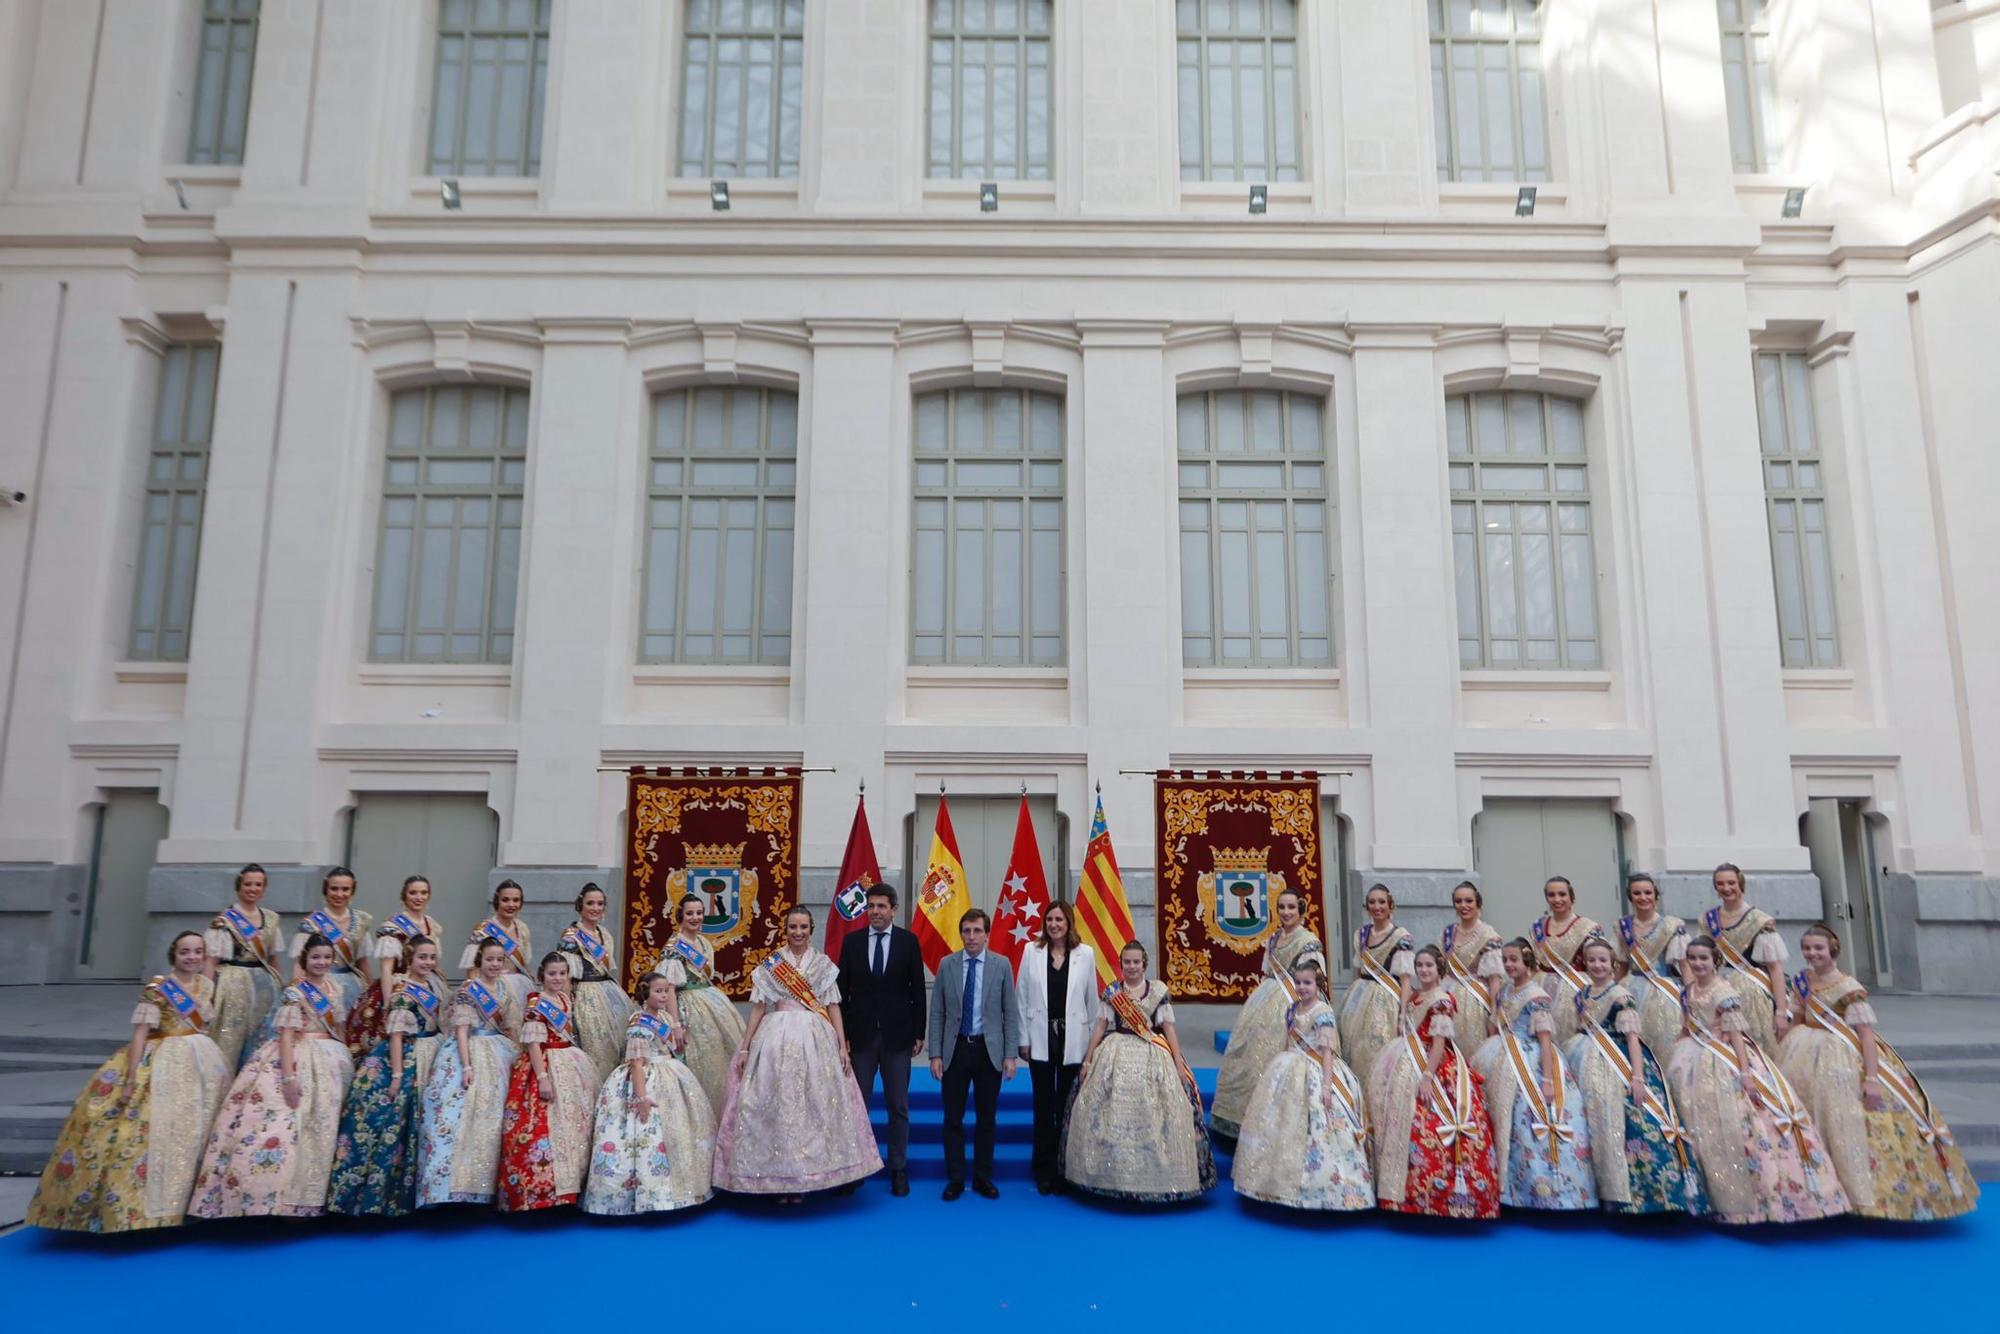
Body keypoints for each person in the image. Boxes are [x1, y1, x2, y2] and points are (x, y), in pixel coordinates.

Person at [27, 932, 231, 1233]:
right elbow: (139, 1034)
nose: (192, 957)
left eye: (198, 952)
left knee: (198, 1131)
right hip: (161, 1059)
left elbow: (205, 1026)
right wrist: (131, 1077)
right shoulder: (157, 989)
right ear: (173, 955)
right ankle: (142, 1212)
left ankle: (193, 1204)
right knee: (154, 1131)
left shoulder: (207, 985)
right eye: (185, 952)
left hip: (202, 1061)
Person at [1778, 923, 1979, 1220]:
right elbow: (1798, 1018)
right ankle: (1817, 1191)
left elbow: (1866, 1036)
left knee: (1843, 1122)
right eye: (1807, 948)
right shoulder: (1801, 981)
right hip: (1803, 1055)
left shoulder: (1849, 989)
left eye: (1818, 948)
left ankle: (1855, 1194)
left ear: (1832, 950)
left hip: (1842, 1060)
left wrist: (1871, 1079)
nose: (1812, 953)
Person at [1666, 936, 1847, 1225]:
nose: (1698, 963)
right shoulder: (1686, 991)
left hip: (1725, 1060)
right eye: (1693, 958)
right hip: (1691, 1061)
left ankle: (1755, 1202)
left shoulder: (1724, 991)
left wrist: (1746, 1073)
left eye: (1704, 958)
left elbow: (1736, 1035)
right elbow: (1686, 1028)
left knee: (1742, 1126)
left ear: (1716, 961)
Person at [712, 907, 881, 1199]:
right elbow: (758, 1008)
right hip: (774, 1039)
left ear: (811, 929)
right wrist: (745, 1046)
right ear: (785, 929)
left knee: (813, 1107)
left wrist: (842, 1045)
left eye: (803, 927)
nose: (798, 932)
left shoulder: (823, 964)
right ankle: (778, 1179)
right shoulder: (772, 964)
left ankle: (806, 1179)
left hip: (816, 1038)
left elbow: (833, 1007)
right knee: (776, 1108)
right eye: (793, 927)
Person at [189, 934, 356, 1219]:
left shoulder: (334, 988)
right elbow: (287, 1036)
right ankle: (267, 1200)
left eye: (327, 957)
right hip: (295, 1058)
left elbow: (337, 1027)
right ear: (305, 960)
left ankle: (311, 1195)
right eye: (316, 957)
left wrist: (348, 1054)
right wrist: (289, 1079)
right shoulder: (295, 992)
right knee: (281, 1124)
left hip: (330, 1060)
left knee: (322, 1127)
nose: (322, 962)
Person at [1061, 941, 1216, 1203]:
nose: (1131, 967)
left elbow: (1168, 1029)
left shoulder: (1158, 992)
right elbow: (1100, 1027)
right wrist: (1088, 1060)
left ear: (1144, 964)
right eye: (1127, 962)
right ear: (1121, 965)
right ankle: (1108, 1178)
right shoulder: (1113, 993)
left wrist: (1178, 1064)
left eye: (1136, 962)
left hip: (1152, 1054)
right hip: (1115, 1052)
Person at [1564, 936, 1707, 1215]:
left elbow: (1632, 1038)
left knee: (1627, 1121)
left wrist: (1638, 1078)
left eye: (1603, 961)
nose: (1597, 966)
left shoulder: (1621, 996)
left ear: (1613, 964)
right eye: (1592, 961)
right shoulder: (1581, 994)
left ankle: (1642, 1197)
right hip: (1584, 1058)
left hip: (1618, 1063)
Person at [1367, 945, 1500, 1219]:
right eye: (1420, 966)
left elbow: (1439, 1042)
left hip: (1434, 1067)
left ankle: (1442, 1196)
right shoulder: (1418, 997)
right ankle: (1400, 1193)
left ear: (1439, 969)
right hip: (1408, 1059)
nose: (1424, 970)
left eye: (1429, 965)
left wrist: (1428, 1075)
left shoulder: (1441, 999)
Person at [1230, 962, 1374, 1212]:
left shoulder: (1323, 1012)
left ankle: (1326, 1189)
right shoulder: (1292, 1008)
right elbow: (1289, 1041)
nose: (1301, 987)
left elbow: (1327, 1052)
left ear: (1318, 984)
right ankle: (1273, 1184)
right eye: (1298, 982)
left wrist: (1328, 1086)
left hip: (1318, 1073)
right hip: (1289, 1069)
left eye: (1307, 983)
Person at [326, 935, 452, 1217]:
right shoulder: (402, 992)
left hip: (432, 1049)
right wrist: (396, 1075)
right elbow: (395, 1036)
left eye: (432, 957)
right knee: (397, 1124)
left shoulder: (433, 984)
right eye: (422, 957)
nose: (428, 963)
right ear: (410, 957)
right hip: (407, 1057)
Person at [1470, 938, 1597, 1210]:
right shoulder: (1504, 991)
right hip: (1501, 1057)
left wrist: (1548, 1080)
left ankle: (1546, 1191)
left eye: (1514, 960)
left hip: (1531, 1063)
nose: (1509, 965)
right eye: (1505, 960)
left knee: (1526, 1119)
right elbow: (1496, 1025)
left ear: (1527, 962)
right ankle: (1507, 1186)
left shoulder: (1536, 996)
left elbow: (1545, 1040)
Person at [582, 973, 716, 1216]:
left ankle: (678, 1191)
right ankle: (644, 1195)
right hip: (646, 1079)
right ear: (646, 993)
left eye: (666, 991)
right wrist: (642, 1098)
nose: (664, 995)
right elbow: (636, 1063)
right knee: (644, 1136)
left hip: (669, 1073)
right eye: (659, 991)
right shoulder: (639, 1022)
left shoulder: (664, 1016)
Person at [1211, 888, 1327, 1139]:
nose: (1286, 912)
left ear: (1301, 910)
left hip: (1293, 1004)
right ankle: (1239, 1122)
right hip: (1265, 1000)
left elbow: (1315, 984)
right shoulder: (1273, 939)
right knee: (1248, 1054)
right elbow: (1266, 972)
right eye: (1282, 907)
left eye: (1291, 908)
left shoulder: (1308, 942)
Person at [416, 938, 522, 1207]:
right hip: (469, 1052)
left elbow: (510, 1025)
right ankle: (450, 1188)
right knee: (458, 1117)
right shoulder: (468, 990)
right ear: (479, 961)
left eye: (499, 960)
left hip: (499, 1052)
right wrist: (466, 1066)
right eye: (490, 960)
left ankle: (485, 1188)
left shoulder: (504, 988)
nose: (495, 965)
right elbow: (461, 1030)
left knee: (493, 1119)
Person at [836, 882, 926, 1196]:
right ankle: (855, 1167)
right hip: (859, 1039)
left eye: (881, 906)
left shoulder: (908, 942)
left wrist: (919, 1032)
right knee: (857, 1104)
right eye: (871, 906)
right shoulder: (852, 943)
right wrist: (841, 1035)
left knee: (897, 1105)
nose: (875, 912)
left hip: (898, 1037)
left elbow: (917, 990)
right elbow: (840, 993)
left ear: (893, 910)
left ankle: (898, 1168)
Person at [927, 908, 1022, 1200]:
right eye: (966, 931)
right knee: (953, 1118)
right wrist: (935, 1054)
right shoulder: (947, 965)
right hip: (954, 1050)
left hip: (988, 1050)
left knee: (986, 1117)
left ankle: (982, 1177)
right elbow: (938, 1012)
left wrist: (1010, 1054)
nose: (971, 936)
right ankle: (955, 1178)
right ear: (961, 934)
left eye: (977, 930)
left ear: (987, 934)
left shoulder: (1002, 965)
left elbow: (1009, 1013)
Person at [498, 952, 600, 1211]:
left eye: (562, 974)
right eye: (552, 974)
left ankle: (569, 1191)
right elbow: (533, 1043)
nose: (558, 978)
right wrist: (542, 1077)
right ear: (542, 975)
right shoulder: (536, 1003)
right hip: (544, 1066)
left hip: (570, 1062)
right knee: (542, 1127)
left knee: (575, 1126)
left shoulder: (565, 998)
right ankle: (541, 1194)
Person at [244, 866, 375, 1060]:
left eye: (345, 889)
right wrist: (301, 991)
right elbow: (299, 962)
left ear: (352, 891)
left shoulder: (361, 921)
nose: (339, 894)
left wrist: (370, 993)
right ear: (325, 890)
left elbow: (363, 961)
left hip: (350, 989)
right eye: (334, 889)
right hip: (316, 987)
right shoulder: (312, 923)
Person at [1014, 898, 1098, 1194]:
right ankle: (1043, 1169)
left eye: (1059, 920)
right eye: (1050, 920)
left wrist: (1092, 1048)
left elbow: (1091, 1001)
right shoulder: (1031, 951)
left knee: (1066, 1106)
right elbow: (1021, 997)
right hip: (1040, 1038)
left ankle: (1065, 1169)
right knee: (1042, 1104)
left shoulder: (1085, 954)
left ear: (1069, 923)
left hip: (1073, 1040)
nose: (1054, 925)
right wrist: (1022, 1038)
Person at [662, 892, 746, 1115]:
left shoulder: (703, 942)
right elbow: (669, 986)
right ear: (681, 915)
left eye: (699, 913)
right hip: (686, 1006)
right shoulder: (674, 946)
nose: (695, 918)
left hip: (710, 1000)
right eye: (690, 913)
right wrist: (675, 1024)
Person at [351, 874, 446, 1060]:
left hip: (428, 984)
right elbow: (387, 969)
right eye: (413, 893)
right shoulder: (393, 927)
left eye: (423, 893)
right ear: (404, 896)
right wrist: (388, 1003)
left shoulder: (432, 925)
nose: (418, 897)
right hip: (400, 986)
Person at [204, 862, 286, 1071]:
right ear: (239, 886)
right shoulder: (225, 920)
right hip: (232, 984)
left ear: (264, 888)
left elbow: (273, 958)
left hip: (264, 986)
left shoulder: (271, 918)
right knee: (231, 1035)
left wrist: (282, 987)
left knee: (260, 1036)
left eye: (258, 885)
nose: (253, 889)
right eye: (248, 884)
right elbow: (211, 960)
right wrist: (206, 994)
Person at [1703, 863, 1791, 1054]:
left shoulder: (1760, 921)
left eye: (1731, 883)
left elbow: (1775, 969)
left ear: (1741, 883)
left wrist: (1781, 1012)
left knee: (1756, 1048)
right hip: (1719, 991)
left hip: (1753, 994)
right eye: (1720, 884)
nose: (1726, 888)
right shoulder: (1708, 920)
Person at [1338, 884, 1412, 1096]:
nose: (1377, 907)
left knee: (1378, 1050)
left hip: (1386, 1000)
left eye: (1381, 902)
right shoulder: (1360, 934)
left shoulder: (1401, 937)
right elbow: (1358, 970)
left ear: (1390, 905)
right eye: (1372, 902)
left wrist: (1403, 1013)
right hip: (1359, 996)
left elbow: (1405, 979)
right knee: (1353, 1049)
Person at [558, 883, 637, 1082]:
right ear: (580, 905)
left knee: (616, 1045)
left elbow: (607, 968)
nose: (595, 908)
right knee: (595, 1048)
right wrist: (567, 1008)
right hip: (585, 995)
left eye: (600, 904)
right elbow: (565, 976)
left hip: (607, 992)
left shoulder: (605, 934)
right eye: (590, 903)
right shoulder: (571, 936)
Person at [1613, 872, 1690, 1060]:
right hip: (1631, 988)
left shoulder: (1671, 925)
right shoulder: (1623, 927)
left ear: (1656, 895)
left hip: (1663, 992)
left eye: (1647, 892)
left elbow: (1685, 967)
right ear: (1630, 897)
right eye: (1637, 893)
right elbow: (1622, 966)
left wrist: (1691, 997)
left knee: (1666, 1045)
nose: (1643, 897)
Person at [1530, 875, 1603, 1044]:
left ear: (1571, 896)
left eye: (1562, 894)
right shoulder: (1537, 927)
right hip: (1542, 990)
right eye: (1551, 895)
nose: (1557, 899)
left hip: (1575, 991)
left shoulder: (1587, 927)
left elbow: (1599, 966)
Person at [1438, 880, 1504, 1049]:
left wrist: (1494, 1014)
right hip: (1447, 1000)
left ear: (1478, 903)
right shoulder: (1447, 933)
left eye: (1468, 901)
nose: (1463, 905)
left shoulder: (1488, 935)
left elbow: (1494, 979)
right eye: (1458, 901)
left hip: (1474, 1003)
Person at [460, 879, 534, 1014]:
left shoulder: (523, 929)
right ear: (497, 901)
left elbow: (523, 963)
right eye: (505, 900)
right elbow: (472, 968)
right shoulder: (483, 929)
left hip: (519, 988)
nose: (511, 905)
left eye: (516, 900)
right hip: (491, 987)